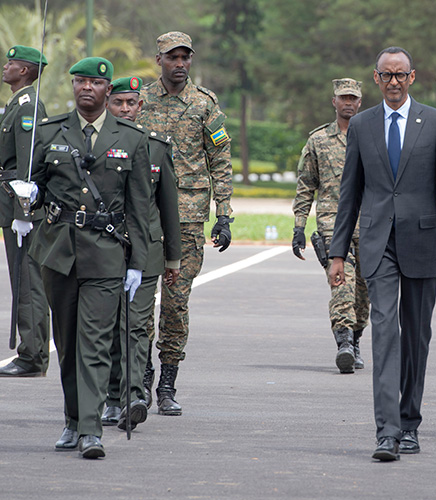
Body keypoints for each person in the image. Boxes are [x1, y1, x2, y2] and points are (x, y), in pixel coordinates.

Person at [328, 46, 436, 461]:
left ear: (412, 77)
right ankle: (386, 432)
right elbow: (348, 194)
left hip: (424, 244)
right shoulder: (363, 125)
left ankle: (410, 423)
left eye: (400, 75)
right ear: (376, 79)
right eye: (386, 75)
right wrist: (337, 253)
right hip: (377, 245)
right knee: (386, 332)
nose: (393, 82)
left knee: (416, 338)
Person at [28, 57, 151, 458]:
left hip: (106, 254)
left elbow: (140, 208)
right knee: (65, 342)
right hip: (58, 252)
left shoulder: (131, 138)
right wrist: (29, 196)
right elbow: (36, 188)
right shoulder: (49, 132)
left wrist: (138, 264)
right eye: (79, 81)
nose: (86, 88)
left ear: (107, 91)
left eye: (94, 83)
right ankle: (71, 419)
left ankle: (91, 430)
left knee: (94, 343)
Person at [140, 31, 234, 416]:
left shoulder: (204, 104)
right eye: (172, 57)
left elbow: (221, 160)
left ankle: (167, 384)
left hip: (189, 221)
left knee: (176, 305)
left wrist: (224, 214)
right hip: (144, 218)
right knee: (140, 303)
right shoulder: (139, 101)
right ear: (158, 59)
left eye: (185, 57)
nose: (179, 64)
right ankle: (140, 379)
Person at [101, 76, 181, 431]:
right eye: (119, 103)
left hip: (145, 251)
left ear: (140, 106)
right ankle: (110, 395)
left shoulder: (157, 148)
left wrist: (173, 258)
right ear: (107, 104)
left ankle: (133, 396)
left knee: (134, 326)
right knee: (106, 326)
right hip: (102, 248)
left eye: (132, 103)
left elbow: (169, 209)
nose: (126, 109)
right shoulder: (94, 145)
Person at [292, 78, 368, 374]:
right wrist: (299, 225)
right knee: (342, 285)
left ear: (360, 102)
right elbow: (305, 186)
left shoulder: (373, 136)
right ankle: (345, 343)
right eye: (343, 98)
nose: (348, 103)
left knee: (363, 295)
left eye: (353, 98)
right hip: (332, 225)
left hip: (369, 225)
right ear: (333, 102)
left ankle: (356, 338)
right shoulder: (318, 140)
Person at [0, 45, 50, 378]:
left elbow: (28, 163)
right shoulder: (15, 104)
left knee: (28, 280)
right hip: (10, 202)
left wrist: (23, 211)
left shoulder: (29, 105)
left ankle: (32, 355)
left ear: (25, 71)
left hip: (21, 207)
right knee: (21, 278)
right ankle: (29, 351)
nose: (5, 67)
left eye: (11, 63)